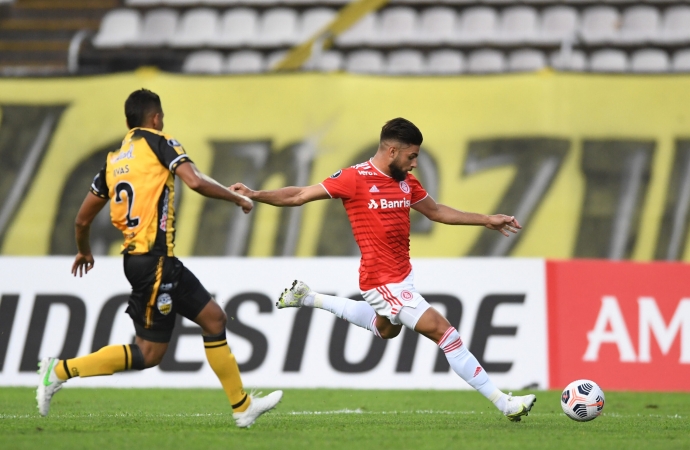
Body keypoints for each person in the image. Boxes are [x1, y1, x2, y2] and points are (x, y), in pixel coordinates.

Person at [231, 117, 536, 422]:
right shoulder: (353, 178)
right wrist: (255, 194)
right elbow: (299, 195)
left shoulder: (406, 181)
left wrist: (486, 219)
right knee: (446, 334)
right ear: (391, 151)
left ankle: (309, 298)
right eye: (411, 156)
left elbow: (437, 211)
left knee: (385, 330)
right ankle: (504, 403)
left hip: (403, 277)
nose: (415, 163)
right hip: (381, 282)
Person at [36, 89, 282, 427]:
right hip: (153, 263)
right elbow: (193, 181)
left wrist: (84, 249)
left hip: (150, 262)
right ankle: (59, 370)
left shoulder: (113, 162)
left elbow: (82, 220)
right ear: (156, 118)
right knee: (149, 354)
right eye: (160, 118)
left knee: (214, 319)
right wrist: (236, 199)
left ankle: (242, 406)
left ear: (128, 122)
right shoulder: (160, 142)